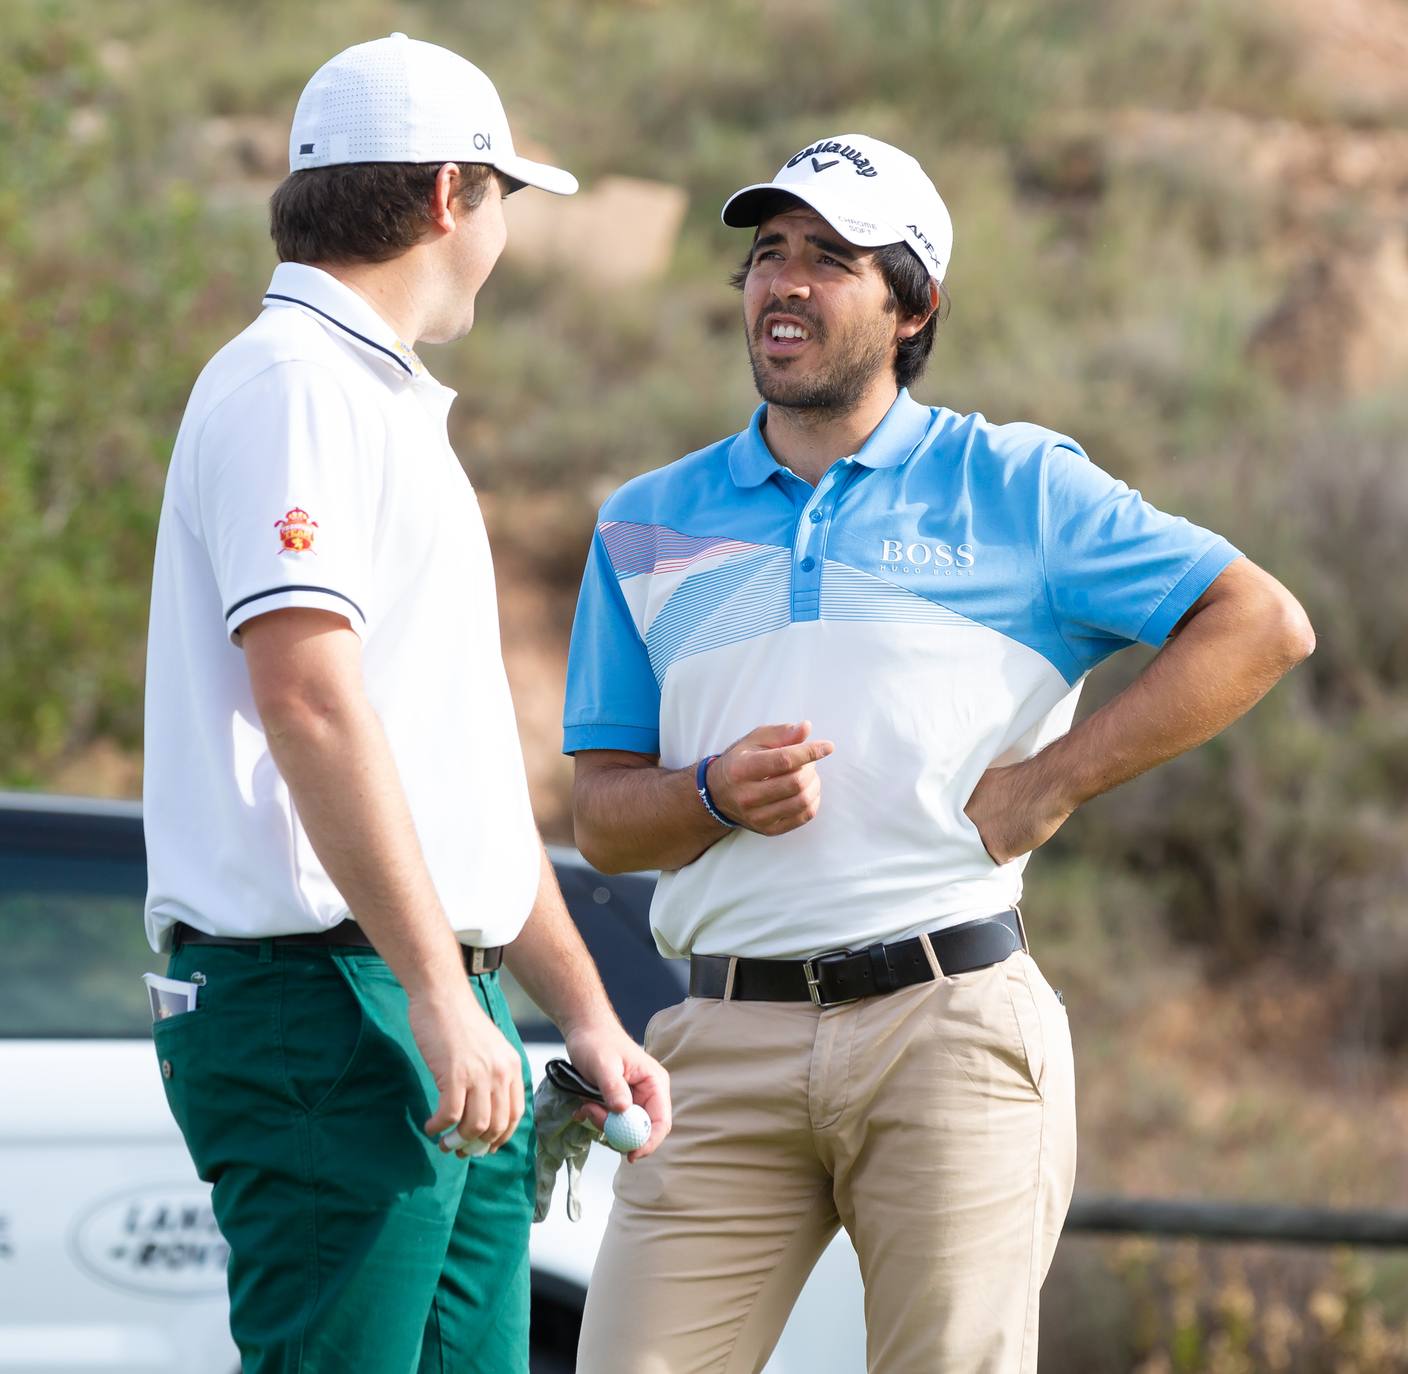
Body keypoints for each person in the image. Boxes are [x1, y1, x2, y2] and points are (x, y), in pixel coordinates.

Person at [563, 133, 1314, 1372]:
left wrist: (1050, 784)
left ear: (913, 309)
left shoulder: (1016, 485)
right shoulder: (644, 524)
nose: (783, 283)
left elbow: (1258, 622)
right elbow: (601, 821)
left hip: (947, 1024)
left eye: (830, 259)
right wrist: (709, 795)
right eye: (766, 255)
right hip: (720, 1040)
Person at [142, 34, 669, 1374]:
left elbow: (464, 792)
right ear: (450, 194)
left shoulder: (365, 399)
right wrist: (442, 992)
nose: (502, 235)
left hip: (415, 992)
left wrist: (581, 1011)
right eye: (503, 200)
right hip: (331, 1000)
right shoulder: (294, 385)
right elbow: (308, 699)